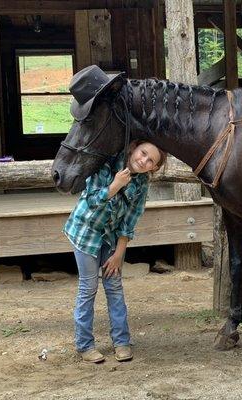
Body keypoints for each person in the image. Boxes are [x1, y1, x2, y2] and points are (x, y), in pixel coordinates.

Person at [64, 139, 167, 363]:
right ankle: (85, 344)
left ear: (154, 168)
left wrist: (119, 254)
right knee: (88, 287)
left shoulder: (141, 184)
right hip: (86, 232)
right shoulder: (107, 166)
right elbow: (91, 201)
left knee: (114, 286)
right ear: (134, 149)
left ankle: (121, 341)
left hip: (110, 236)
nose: (143, 160)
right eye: (143, 153)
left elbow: (130, 220)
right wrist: (115, 186)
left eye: (150, 161)